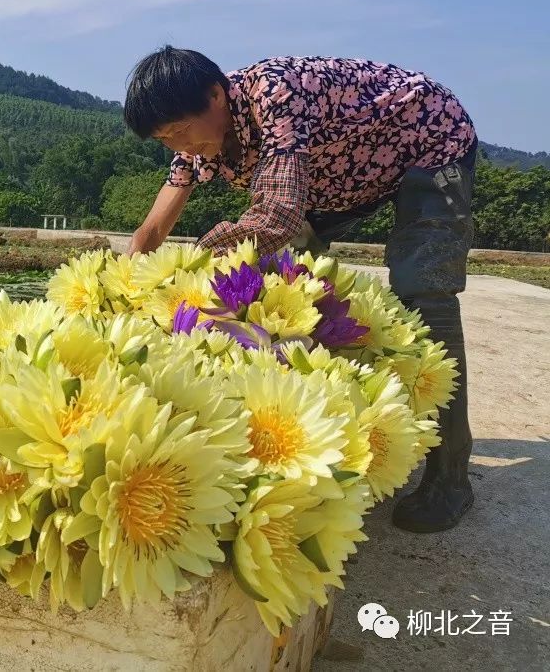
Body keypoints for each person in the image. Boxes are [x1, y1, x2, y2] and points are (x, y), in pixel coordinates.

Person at [124, 46, 477, 533]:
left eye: (180, 131)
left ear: (217, 95)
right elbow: (166, 205)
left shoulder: (275, 92)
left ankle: (451, 476)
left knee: (424, 288)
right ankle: (311, 428)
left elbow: (278, 214)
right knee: (279, 287)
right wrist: (133, 263)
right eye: (165, 139)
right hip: (340, 177)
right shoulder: (195, 134)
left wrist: (192, 261)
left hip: (428, 142)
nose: (177, 145)